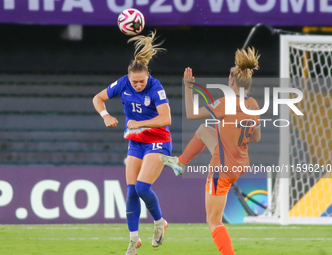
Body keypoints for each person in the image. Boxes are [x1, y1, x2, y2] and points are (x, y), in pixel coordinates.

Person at [160, 47, 261, 255]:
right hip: (239, 163)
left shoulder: (225, 103)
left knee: (213, 220)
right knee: (205, 130)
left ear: (232, 80)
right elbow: (257, 137)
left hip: (222, 169)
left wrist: (188, 87)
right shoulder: (253, 104)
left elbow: (190, 113)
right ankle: (179, 163)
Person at [93, 31, 171, 255]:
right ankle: (134, 240)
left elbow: (166, 119)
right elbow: (97, 98)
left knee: (142, 187)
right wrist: (106, 115)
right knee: (131, 192)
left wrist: (139, 123)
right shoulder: (123, 84)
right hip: (136, 143)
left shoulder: (156, 88)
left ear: (148, 76)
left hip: (158, 141)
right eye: (134, 82)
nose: (138, 85)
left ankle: (159, 222)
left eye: (141, 81)